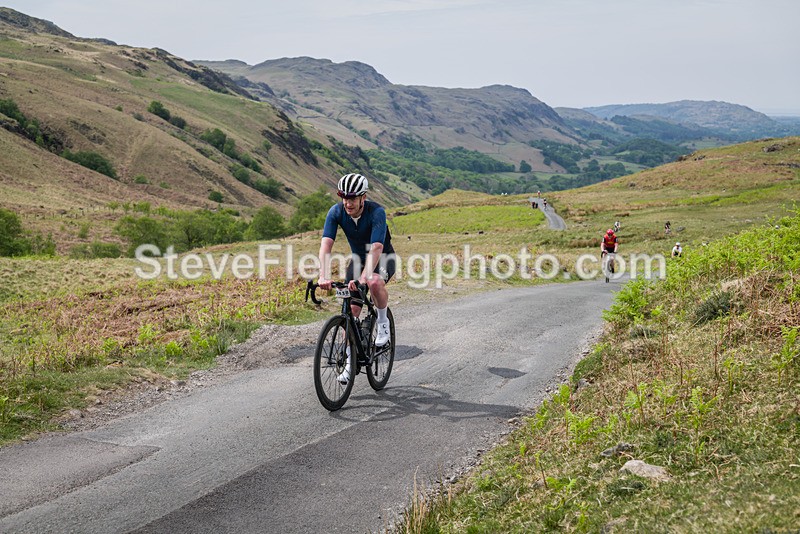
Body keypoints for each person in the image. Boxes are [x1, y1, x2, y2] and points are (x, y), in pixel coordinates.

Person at [317, 173, 395, 383]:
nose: (347, 203)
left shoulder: (376, 212)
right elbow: (326, 244)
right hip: (358, 260)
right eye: (344, 197)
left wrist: (363, 278)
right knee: (351, 312)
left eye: (352, 198)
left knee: (373, 281)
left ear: (363, 198)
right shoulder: (336, 212)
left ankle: (382, 321)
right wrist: (323, 275)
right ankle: (351, 363)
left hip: (383, 257)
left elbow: (377, 247)